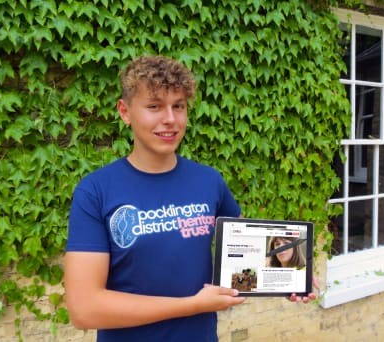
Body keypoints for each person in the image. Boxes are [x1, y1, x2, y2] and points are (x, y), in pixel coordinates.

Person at [64, 55, 316, 342]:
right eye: (154, 106)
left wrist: (292, 277)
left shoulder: (209, 181)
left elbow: (251, 257)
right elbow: (84, 309)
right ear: (125, 111)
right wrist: (193, 305)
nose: (169, 119)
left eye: (178, 106)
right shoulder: (96, 191)